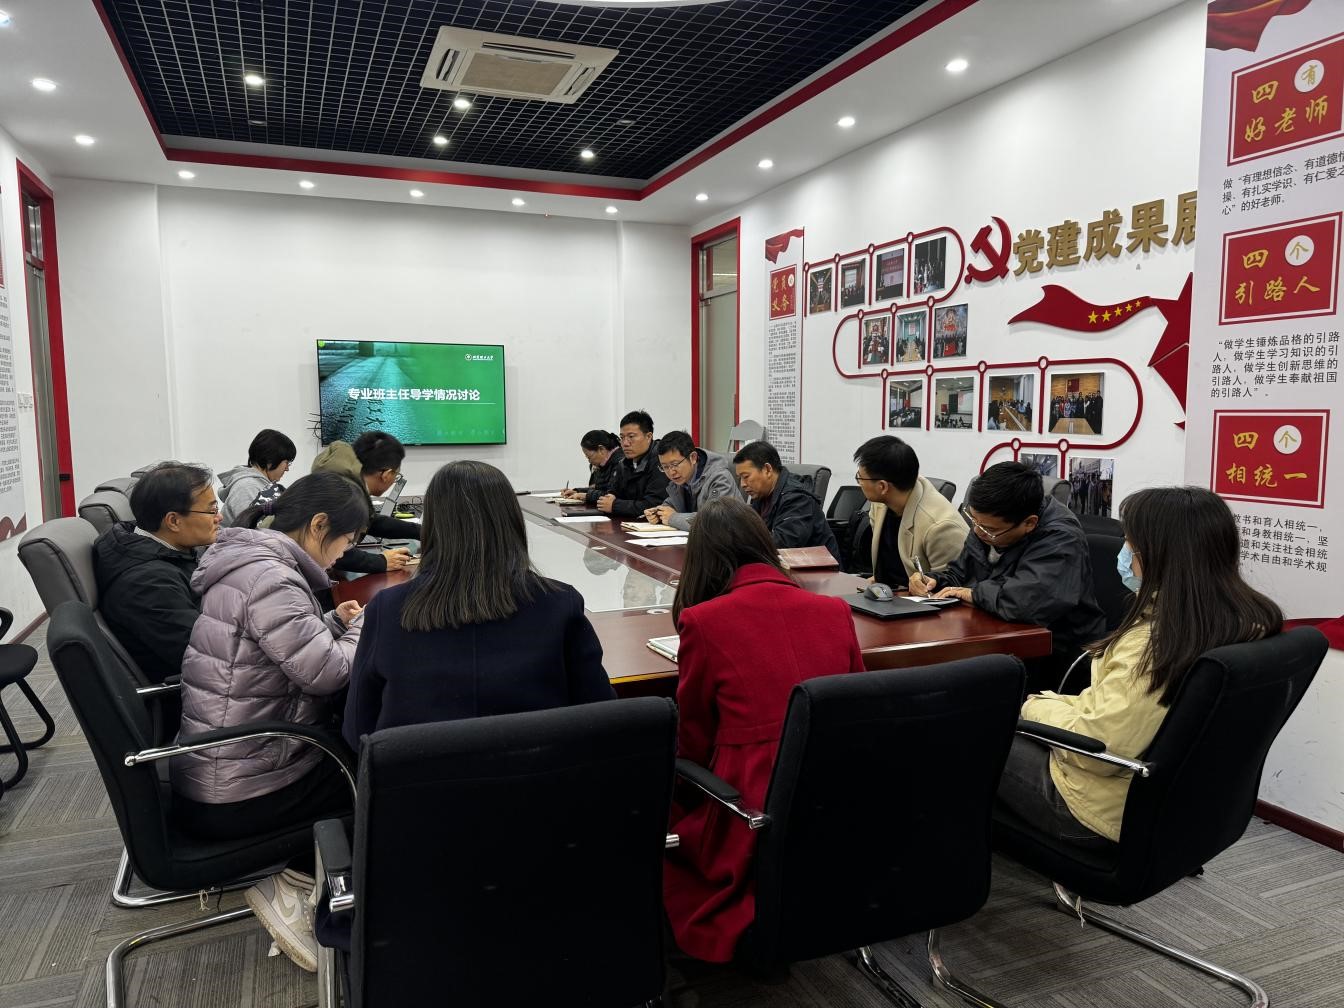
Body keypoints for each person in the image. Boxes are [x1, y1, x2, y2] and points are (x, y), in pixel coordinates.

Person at [998, 486, 1283, 845]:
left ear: (1155, 556)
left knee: (965, 734)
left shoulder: (1157, 643)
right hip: (1181, 803)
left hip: (1096, 806)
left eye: (1128, 545)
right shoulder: (1241, 622)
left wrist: (1034, 705)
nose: (1122, 554)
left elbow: (1098, 749)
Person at [172, 471, 368, 972]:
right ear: (319, 525)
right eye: (347, 541)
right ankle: (295, 886)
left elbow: (267, 652)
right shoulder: (272, 578)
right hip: (242, 788)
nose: (344, 554)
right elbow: (326, 673)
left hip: (220, 764)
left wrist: (333, 624)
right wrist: (366, 626)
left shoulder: (250, 563)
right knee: (377, 778)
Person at [663, 497, 864, 962]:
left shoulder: (703, 621)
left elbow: (693, 736)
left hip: (750, 796)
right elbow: (857, 705)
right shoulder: (834, 610)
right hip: (833, 787)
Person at [343, 460, 614, 747]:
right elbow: (601, 717)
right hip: (539, 773)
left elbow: (358, 731)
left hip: (417, 775)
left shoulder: (387, 608)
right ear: (511, 521)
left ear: (433, 525)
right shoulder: (560, 604)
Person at [910, 461, 1106, 689]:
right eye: (973, 521)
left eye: (989, 530)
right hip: (995, 639)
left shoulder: (1062, 538)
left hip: (1054, 656)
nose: (977, 532)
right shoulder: (987, 523)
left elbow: (1025, 603)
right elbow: (960, 574)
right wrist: (934, 581)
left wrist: (973, 594)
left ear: (1029, 523)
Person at [93, 462, 220, 683]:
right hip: (197, 692)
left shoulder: (164, 548)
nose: (219, 518)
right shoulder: (147, 584)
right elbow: (209, 655)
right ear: (173, 521)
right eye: (212, 511)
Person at [853, 435, 965, 588]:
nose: (859, 483)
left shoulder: (940, 526)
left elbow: (950, 589)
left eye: (860, 478)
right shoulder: (880, 503)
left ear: (882, 487)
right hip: (888, 594)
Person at [311, 430, 418, 573]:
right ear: (386, 474)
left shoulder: (342, 482)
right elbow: (335, 551)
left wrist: (420, 531)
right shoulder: (345, 494)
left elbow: (370, 521)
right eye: (396, 475)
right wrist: (382, 561)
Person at [733, 440, 840, 561]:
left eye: (746, 477)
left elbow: (782, 544)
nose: (743, 484)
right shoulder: (761, 495)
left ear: (767, 469)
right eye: (740, 478)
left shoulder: (798, 499)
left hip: (817, 569)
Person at [643, 429, 740, 530]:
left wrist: (672, 518)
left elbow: (716, 522)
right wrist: (659, 513)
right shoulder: (681, 479)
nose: (671, 472)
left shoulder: (719, 478)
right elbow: (673, 503)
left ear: (693, 458)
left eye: (675, 464)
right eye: (665, 467)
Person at [595, 410, 670, 518]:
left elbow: (654, 505)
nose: (625, 443)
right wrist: (610, 496)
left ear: (648, 436)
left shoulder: (661, 461)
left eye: (631, 436)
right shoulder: (624, 463)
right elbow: (613, 493)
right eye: (622, 437)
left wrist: (615, 505)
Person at [218, 428, 296, 527]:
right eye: (286, 462)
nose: (287, 469)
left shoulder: (260, 486)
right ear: (270, 460)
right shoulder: (247, 487)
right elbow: (252, 531)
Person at [559, 429, 620, 501]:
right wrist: (577, 491)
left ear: (601, 449)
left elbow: (611, 495)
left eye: (589, 457)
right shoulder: (603, 464)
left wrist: (586, 496)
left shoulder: (620, 464)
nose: (589, 461)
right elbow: (599, 488)